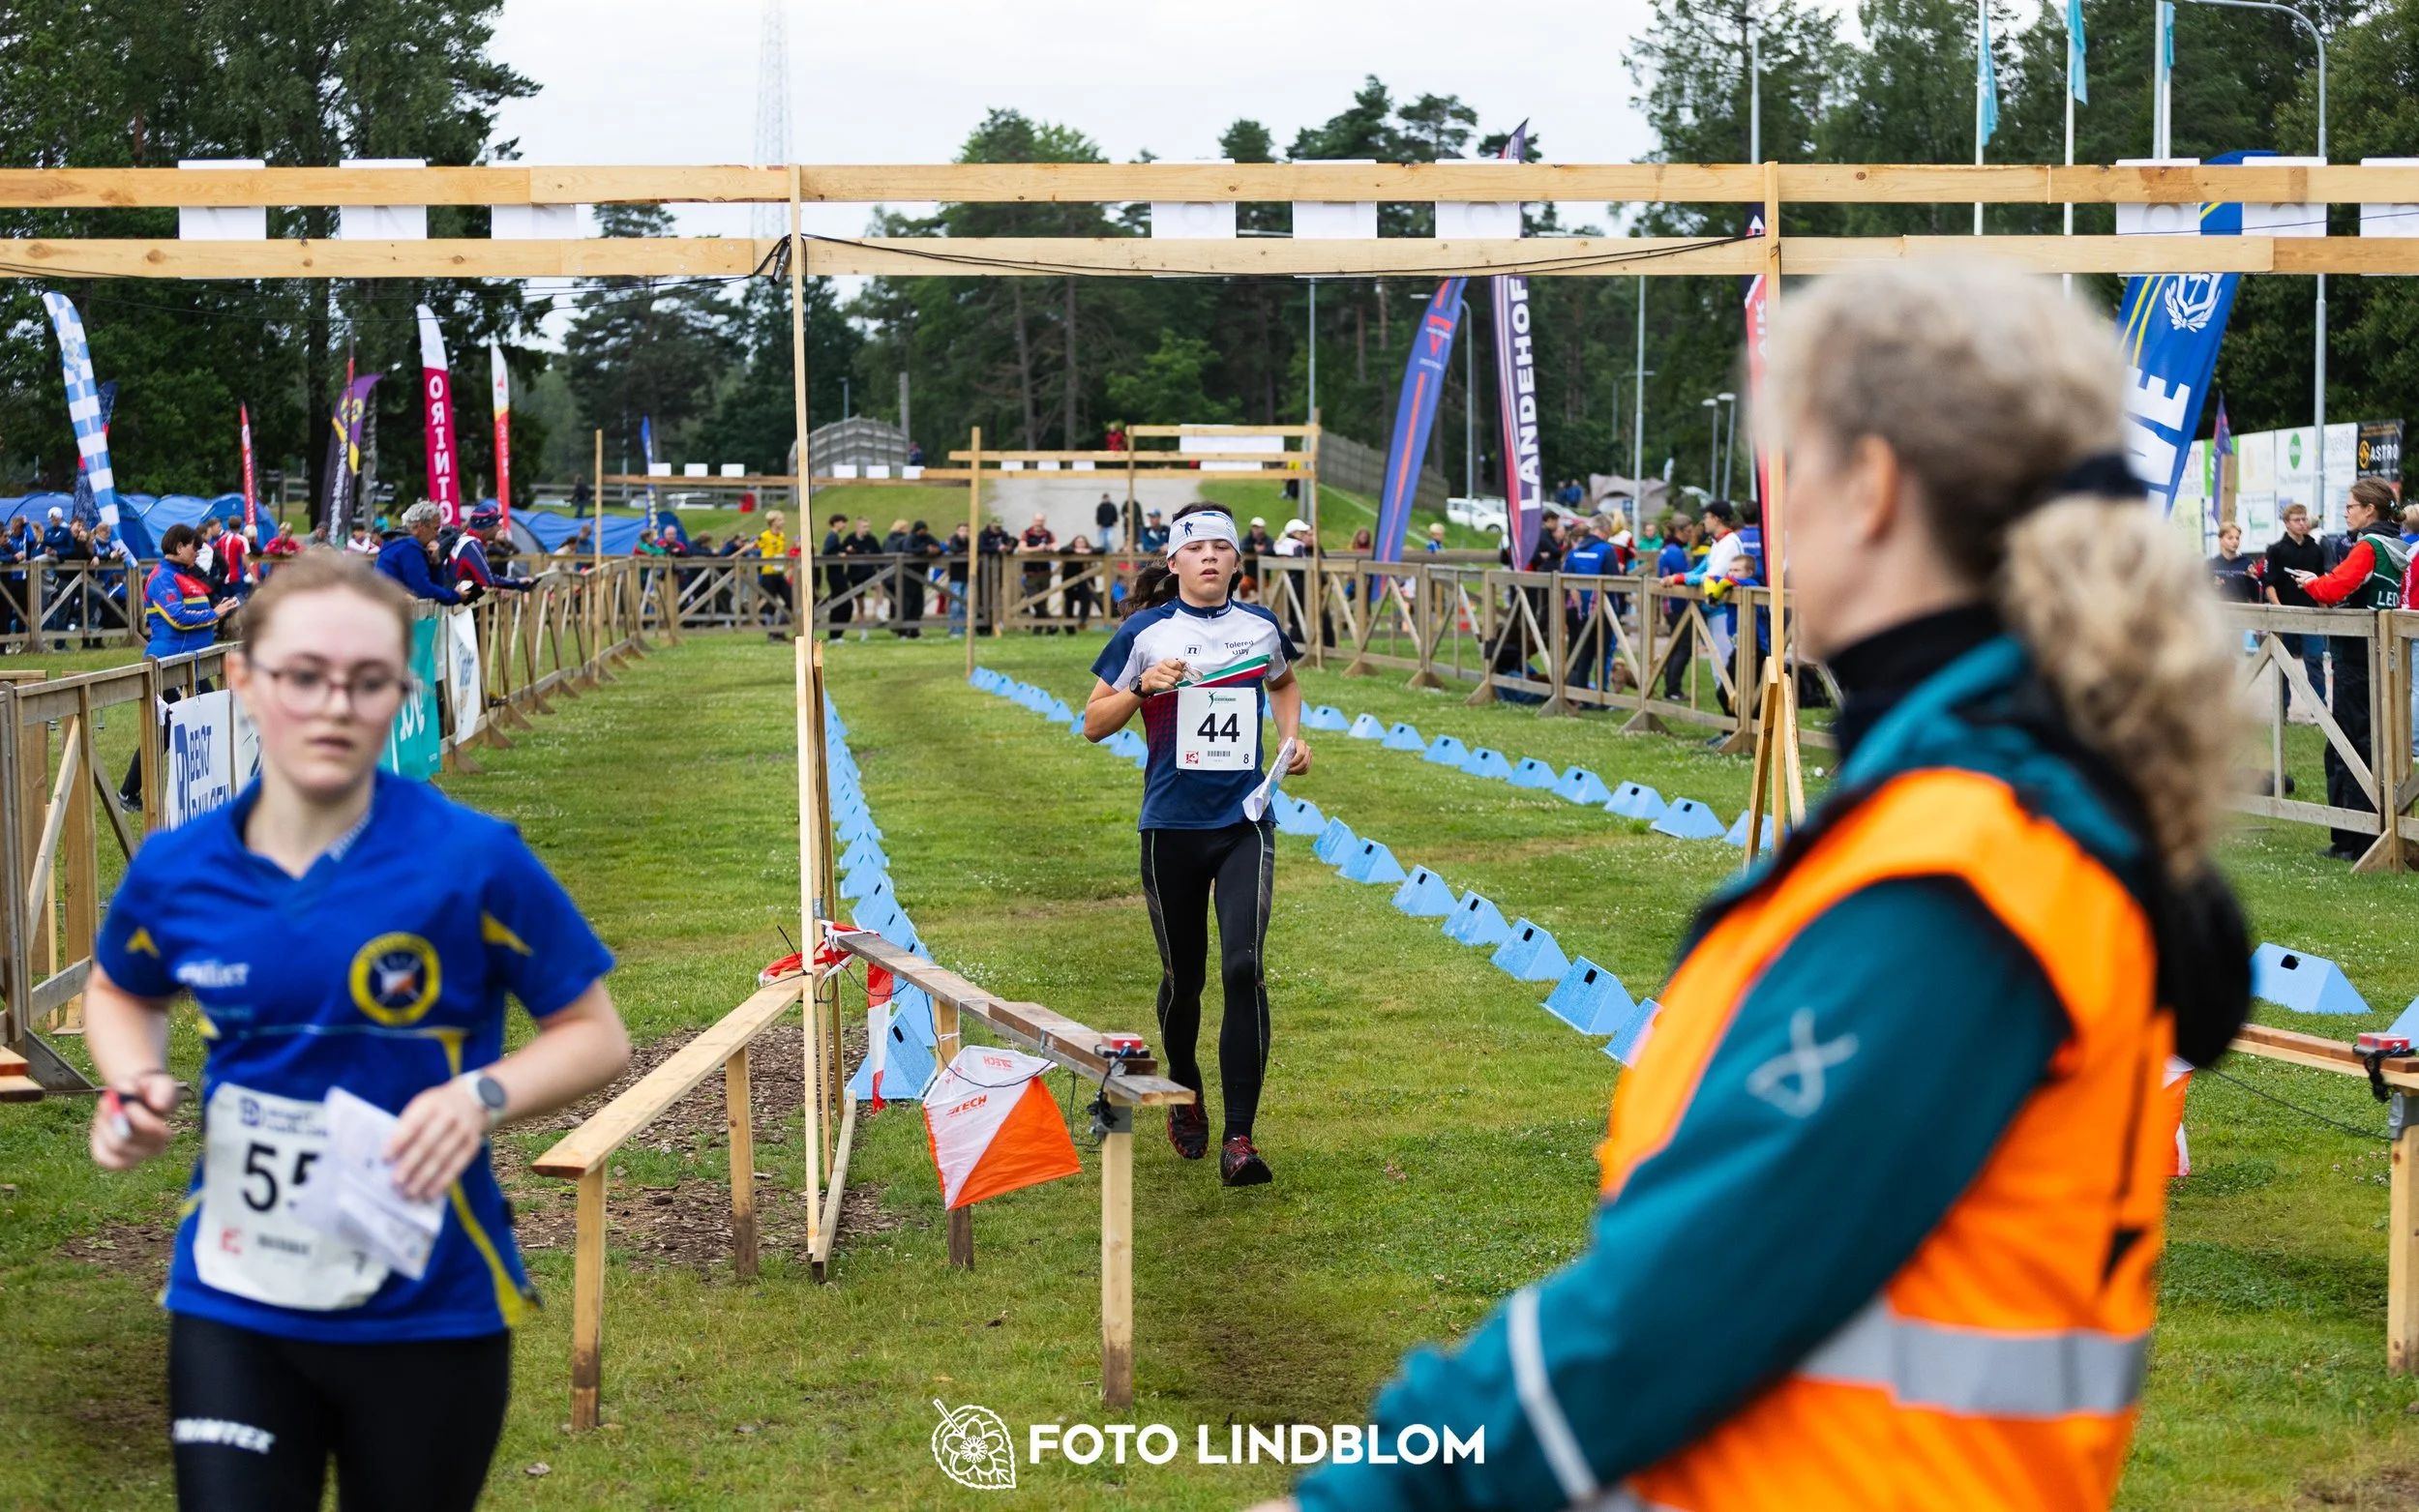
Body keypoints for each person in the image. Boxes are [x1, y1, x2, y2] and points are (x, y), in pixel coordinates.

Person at [1276, 256, 2251, 1512]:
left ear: (1875, 486)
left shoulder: (1956, 872)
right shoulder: (1985, 808)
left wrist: (1369, 1493)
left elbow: (1673, 1306)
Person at [86, 548, 630, 1512]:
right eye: (303, 676)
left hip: (429, 1309)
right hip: (235, 1298)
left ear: (403, 688)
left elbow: (595, 1033)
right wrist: (132, 1080)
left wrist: (481, 1094)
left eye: (367, 681)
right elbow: (120, 988)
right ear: (244, 679)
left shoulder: (474, 863)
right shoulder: (178, 870)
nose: (334, 706)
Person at [1083, 504, 1311, 1188]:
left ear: (1238, 562)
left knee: (1244, 967)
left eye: (1222, 547)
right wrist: (1141, 687)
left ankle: (1240, 1137)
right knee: (1186, 979)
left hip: (1244, 821)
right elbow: (1093, 721)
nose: (1210, 557)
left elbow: (1284, 681)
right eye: (1197, 547)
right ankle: (1185, 1086)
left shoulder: (1261, 627)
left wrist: (1291, 739)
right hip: (1171, 828)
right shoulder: (1145, 633)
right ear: (1175, 562)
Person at [2283, 476, 2412, 859]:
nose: (2345, 512)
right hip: (2385, 655)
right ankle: (2382, 828)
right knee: (2376, 746)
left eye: (2351, 506)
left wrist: (2312, 584)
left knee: (2347, 749)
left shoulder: (2369, 546)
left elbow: (2334, 589)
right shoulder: (2400, 545)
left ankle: (2352, 839)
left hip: (2355, 658)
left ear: (2369, 510)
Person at [115, 523, 241, 809]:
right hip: (169, 663)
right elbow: (177, 618)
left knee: (212, 719)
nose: (198, 552)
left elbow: (196, 610)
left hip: (193, 664)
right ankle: (128, 792)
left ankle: (207, 790)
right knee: (168, 729)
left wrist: (216, 609)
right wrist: (214, 613)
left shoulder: (186, 577)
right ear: (179, 546)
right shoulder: (162, 578)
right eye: (194, 547)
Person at [2264, 501, 2330, 704]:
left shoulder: (2315, 549)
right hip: (2286, 613)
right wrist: (2279, 608)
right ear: (2286, 523)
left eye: (2304, 519)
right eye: (2297, 520)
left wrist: (2324, 606)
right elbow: (2268, 583)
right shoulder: (2276, 550)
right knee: (2283, 662)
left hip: (2311, 612)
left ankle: (2318, 707)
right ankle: (2282, 708)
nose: (2302, 523)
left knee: (2314, 659)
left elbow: (2321, 580)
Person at [373, 504, 476, 607]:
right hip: (393, 612)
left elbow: (434, 586)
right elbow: (423, 590)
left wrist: (436, 563)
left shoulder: (397, 542)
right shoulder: (409, 546)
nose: (438, 534)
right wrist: (456, 596)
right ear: (420, 527)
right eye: (436, 528)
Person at [449, 505, 532, 596]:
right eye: (497, 524)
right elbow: (488, 580)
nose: (500, 527)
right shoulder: (472, 544)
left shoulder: (465, 538)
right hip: (457, 605)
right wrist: (517, 583)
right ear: (487, 528)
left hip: (456, 600)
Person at [1018, 511, 1058, 635]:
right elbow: (1022, 548)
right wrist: (1037, 549)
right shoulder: (1026, 533)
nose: (1039, 523)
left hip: (1045, 571)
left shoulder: (1049, 534)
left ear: (1044, 522)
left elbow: (1056, 546)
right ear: (1033, 521)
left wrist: (1049, 547)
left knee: (1043, 600)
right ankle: (1051, 623)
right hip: (1030, 572)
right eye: (1037, 521)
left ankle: (1038, 629)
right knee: (1034, 599)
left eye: (1041, 521)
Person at [757, 509, 792, 642]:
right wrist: (735, 555)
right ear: (772, 522)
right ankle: (771, 634)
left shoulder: (782, 535)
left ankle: (780, 629)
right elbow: (753, 546)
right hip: (768, 574)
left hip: (779, 573)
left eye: (782, 519)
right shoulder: (765, 536)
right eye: (780, 520)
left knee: (792, 600)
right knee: (770, 603)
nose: (782, 522)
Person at [2209, 521, 2259, 604]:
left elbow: (2256, 596)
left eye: (2237, 538)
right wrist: (2213, 586)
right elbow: (2202, 594)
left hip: (2242, 611)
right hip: (2218, 612)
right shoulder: (2211, 564)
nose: (2235, 541)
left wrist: (2251, 579)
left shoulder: (2247, 562)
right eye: (2230, 538)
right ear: (2221, 540)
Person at [1063, 533, 1100, 630]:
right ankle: (1069, 627)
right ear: (1074, 543)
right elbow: (1063, 550)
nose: (1080, 543)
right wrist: (1075, 550)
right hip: (1069, 581)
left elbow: (1101, 550)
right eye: (1078, 542)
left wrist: (1088, 551)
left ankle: (1082, 620)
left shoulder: (1089, 550)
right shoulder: (1070, 549)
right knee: (1069, 602)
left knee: (1086, 598)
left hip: (1085, 582)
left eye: (1082, 542)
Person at [943, 521, 973, 636]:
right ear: (957, 531)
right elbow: (954, 548)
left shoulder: (969, 541)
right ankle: (952, 629)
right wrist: (965, 553)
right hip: (956, 575)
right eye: (961, 530)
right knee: (956, 603)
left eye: (966, 530)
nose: (964, 533)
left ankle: (960, 629)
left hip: (966, 574)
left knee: (964, 603)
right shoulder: (954, 539)